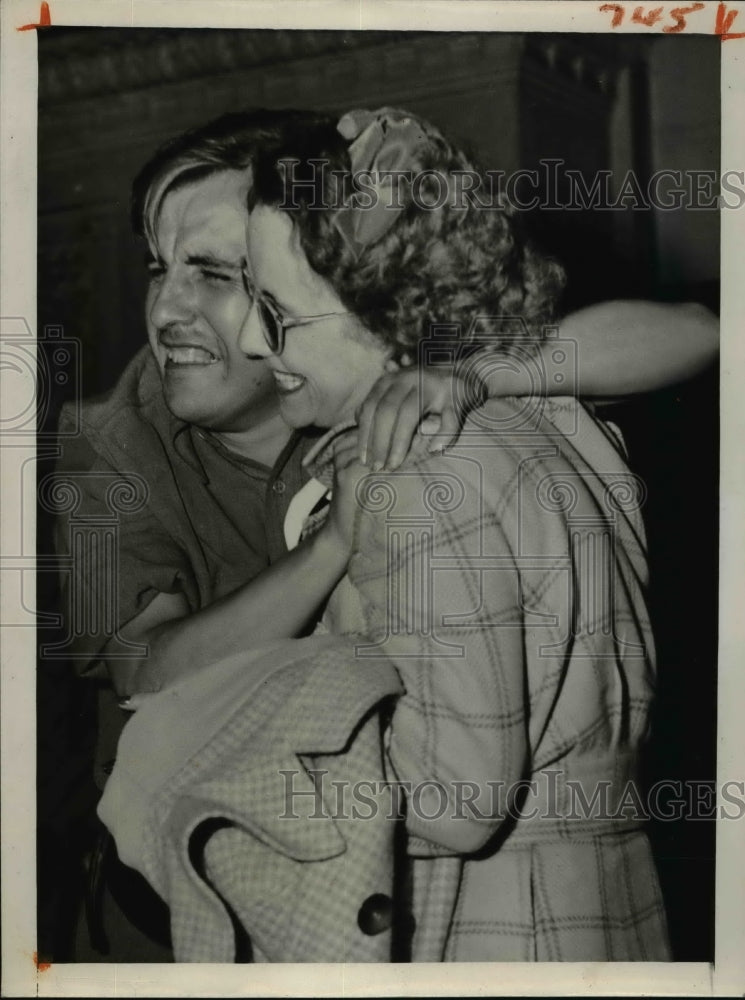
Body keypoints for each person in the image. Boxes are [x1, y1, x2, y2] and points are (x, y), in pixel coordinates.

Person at [51, 108, 716, 961]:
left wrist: (467, 374)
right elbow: (143, 667)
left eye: (224, 274)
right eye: (157, 266)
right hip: (181, 910)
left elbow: (701, 333)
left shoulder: (419, 423)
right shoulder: (113, 440)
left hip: (427, 895)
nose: (169, 308)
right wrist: (333, 547)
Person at [215, 105, 674, 960]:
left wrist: (243, 756)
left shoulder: (411, 481)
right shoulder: (547, 415)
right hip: (601, 905)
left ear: (388, 316)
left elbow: (456, 802)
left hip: (494, 927)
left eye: (275, 313)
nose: (247, 339)